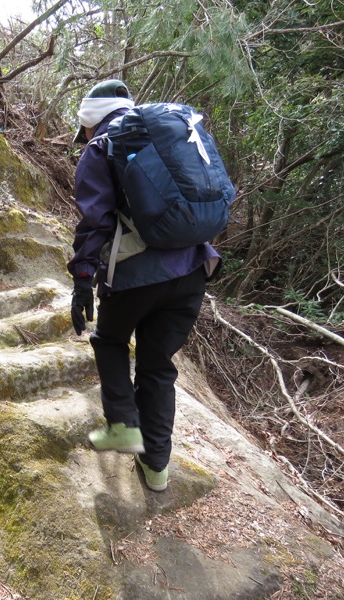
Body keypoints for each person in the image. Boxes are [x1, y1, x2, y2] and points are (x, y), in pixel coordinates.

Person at [68, 80, 221, 492]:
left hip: (137, 274)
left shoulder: (101, 147)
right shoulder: (172, 134)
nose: (82, 136)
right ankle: (157, 468)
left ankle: (122, 427)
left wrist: (83, 278)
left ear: (90, 122)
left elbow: (96, 221)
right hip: (193, 268)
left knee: (110, 340)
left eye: (81, 128)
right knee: (157, 366)